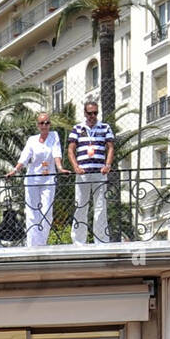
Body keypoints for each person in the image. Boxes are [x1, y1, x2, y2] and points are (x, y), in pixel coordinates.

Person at [6, 112, 67, 247]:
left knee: (46, 211)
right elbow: (25, 156)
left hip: (48, 179)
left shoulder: (54, 136)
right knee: (32, 211)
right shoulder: (32, 140)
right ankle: (32, 244)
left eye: (47, 123)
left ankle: (42, 243)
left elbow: (57, 153)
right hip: (32, 179)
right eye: (41, 123)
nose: (44, 126)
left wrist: (60, 168)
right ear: (37, 125)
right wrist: (15, 170)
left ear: (50, 124)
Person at [68, 100, 116, 244]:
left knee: (101, 207)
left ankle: (101, 241)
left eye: (95, 113)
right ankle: (78, 242)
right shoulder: (77, 128)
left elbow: (111, 147)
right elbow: (70, 150)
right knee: (80, 206)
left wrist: (108, 165)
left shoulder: (105, 127)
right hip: (82, 173)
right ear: (85, 113)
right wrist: (75, 167)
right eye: (90, 113)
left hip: (99, 173)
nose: (92, 116)